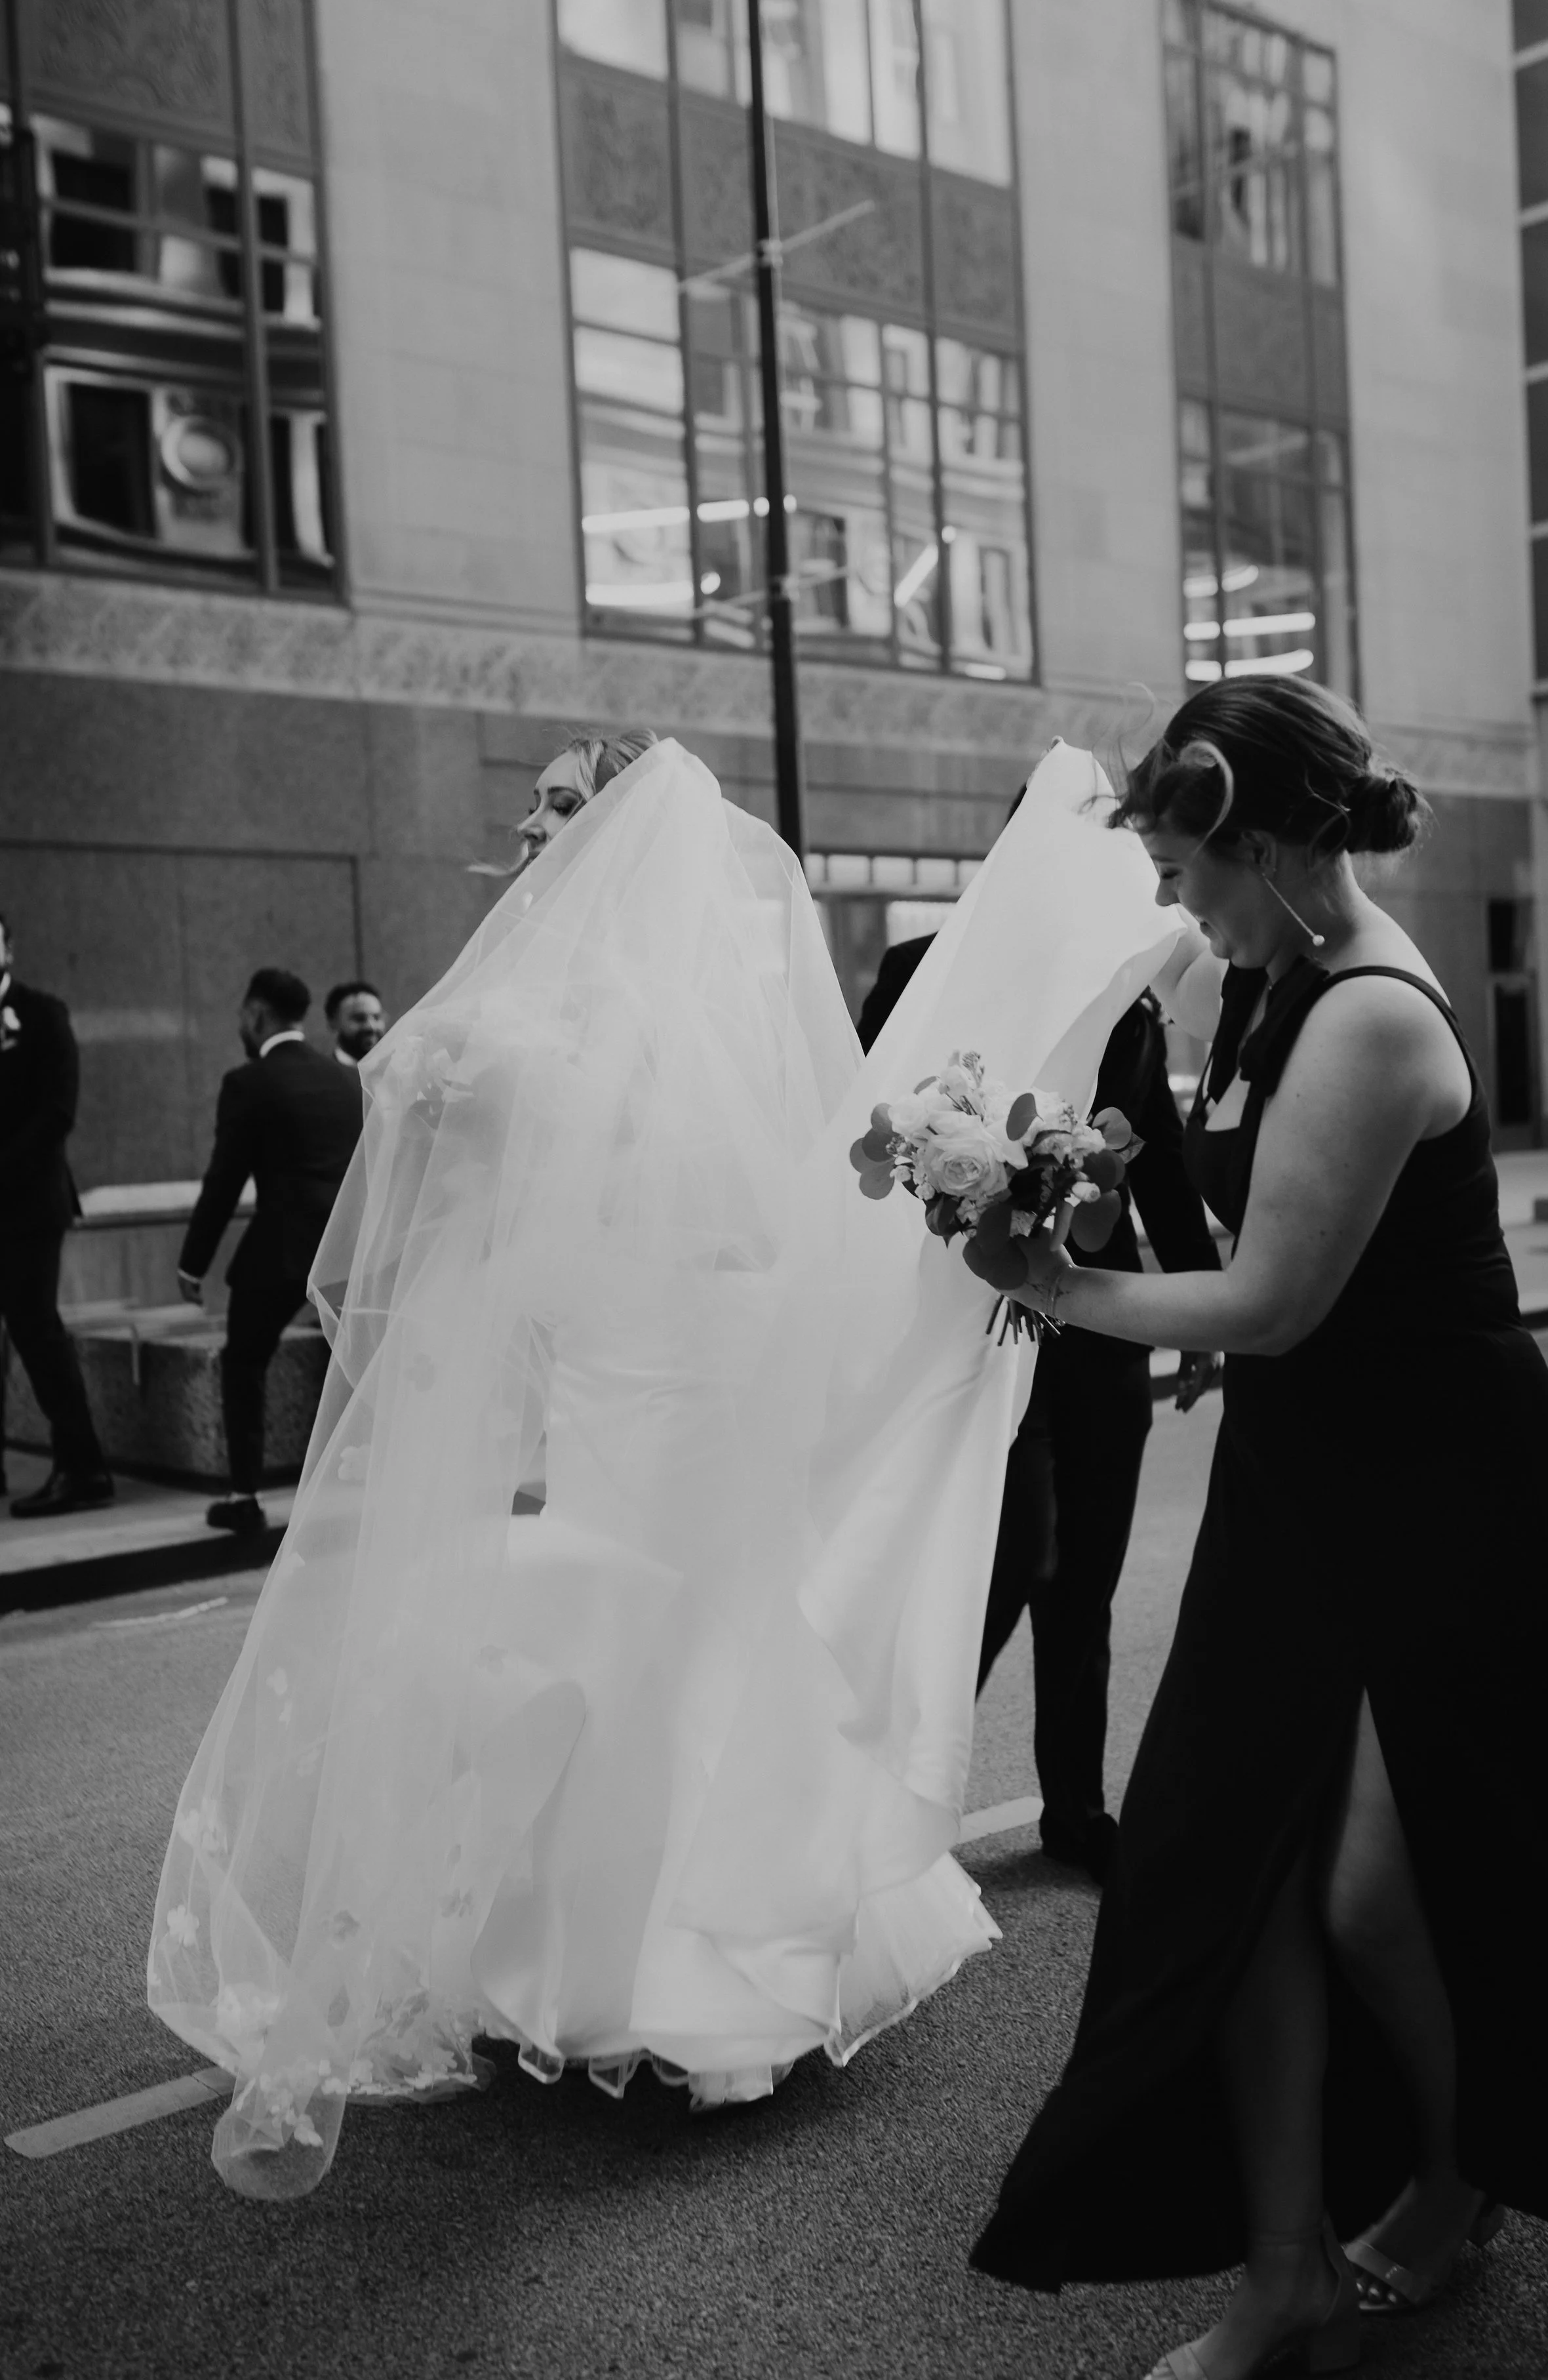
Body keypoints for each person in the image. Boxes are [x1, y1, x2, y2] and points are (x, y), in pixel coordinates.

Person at [149, 731, 1187, 2199]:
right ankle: (590, 1972)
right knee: (601, 1654)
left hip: (654, 1391)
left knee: (650, 1655)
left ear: (620, 831)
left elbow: (676, 1229)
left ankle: (679, 1996)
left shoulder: (568, 1024)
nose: (529, 820)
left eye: (561, 801)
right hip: (609, 1394)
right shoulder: (596, 1013)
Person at [968, 677, 1548, 2379]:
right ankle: (1284, 2269)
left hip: (1427, 1490)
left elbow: (1274, 1296)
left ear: (1260, 841)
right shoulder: (1278, 976)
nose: (1173, 894)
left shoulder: (1364, 1016)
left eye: (1187, 861)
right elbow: (1284, 1267)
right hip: (1312, 1471)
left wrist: (1051, 1276)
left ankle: (1459, 2155)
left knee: (1359, 1892)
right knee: (1241, 1880)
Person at [860, 931, 1221, 1881]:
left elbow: (1160, 1173)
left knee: (1088, 1569)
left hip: (1093, 1320)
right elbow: (861, 1131)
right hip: (966, 1324)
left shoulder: (1132, 1005)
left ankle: (1077, 1808)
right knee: (1005, 1557)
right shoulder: (921, 967)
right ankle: (884, 1805)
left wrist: (1196, 1311)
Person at [178, 968, 363, 1537]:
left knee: (245, 1363)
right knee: (360, 1365)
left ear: (256, 1015)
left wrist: (193, 1261)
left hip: (279, 1251)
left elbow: (224, 1179)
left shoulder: (247, 1083)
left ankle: (245, 1494)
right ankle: (363, 1484)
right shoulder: (344, 1080)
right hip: (347, 1248)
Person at [0, 910, 113, 1519]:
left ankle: (84, 1466)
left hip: (27, 1203)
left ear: (8, 947)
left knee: (36, 1330)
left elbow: (57, 1113)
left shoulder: (43, 1013)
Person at [324, 981, 386, 1067]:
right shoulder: (321, 1074)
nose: (371, 1027)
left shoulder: (396, 1072)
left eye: (377, 1018)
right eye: (360, 1019)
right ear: (333, 1022)